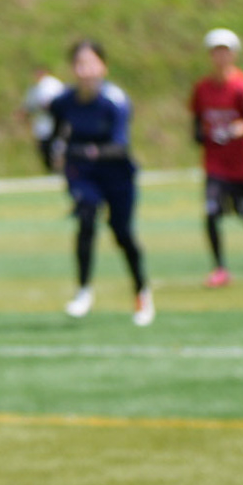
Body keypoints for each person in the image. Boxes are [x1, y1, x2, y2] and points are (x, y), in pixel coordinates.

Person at [48, 40, 152, 325]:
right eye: (79, 64)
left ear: (103, 67)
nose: (85, 71)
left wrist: (82, 151)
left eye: (91, 63)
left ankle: (141, 291)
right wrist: (54, 155)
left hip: (117, 175)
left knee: (123, 234)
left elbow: (119, 146)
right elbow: (54, 136)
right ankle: (83, 290)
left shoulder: (114, 102)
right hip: (83, 174)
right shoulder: (63, 102)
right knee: (86, 216)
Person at [191, 28, 243, 287]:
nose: (221, 57)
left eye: (225, 51)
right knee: (212, 213)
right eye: (216, 51)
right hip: (216, 165)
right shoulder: (203, 88)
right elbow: (197, 120)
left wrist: (242, 127)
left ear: (234, 54)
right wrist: (202, 135)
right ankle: (220, 268)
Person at [20, 65, 68, 172]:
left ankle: (60, 169)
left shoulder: (53, 84)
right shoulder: (34, 88)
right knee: (44, 148)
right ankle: (51, 170)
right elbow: (28, 105)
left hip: (55, 123)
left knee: (57, 148)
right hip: (41, 125)